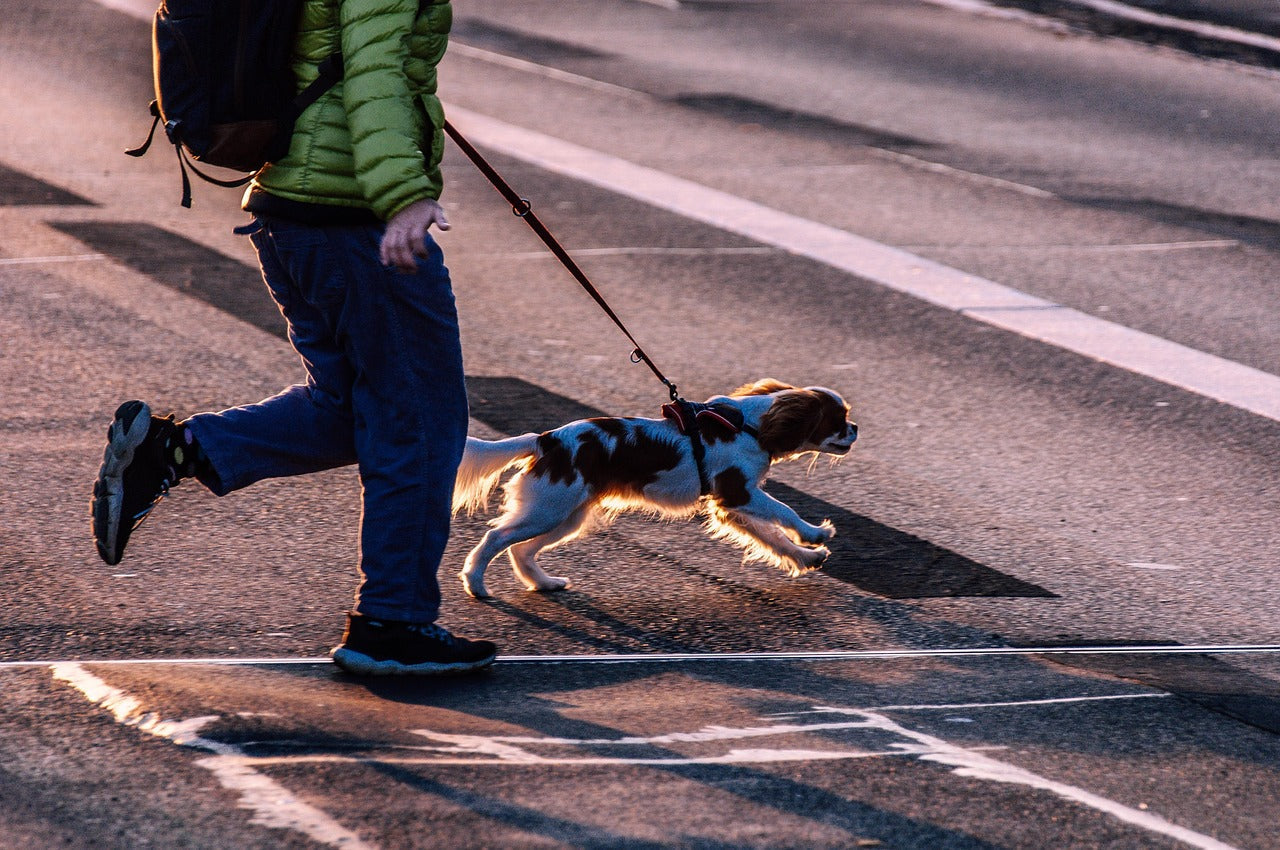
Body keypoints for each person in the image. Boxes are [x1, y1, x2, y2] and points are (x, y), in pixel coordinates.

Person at [91, 0, 496, 676]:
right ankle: (392, 623)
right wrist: (403, 194)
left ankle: (174, 449)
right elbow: (374, 71)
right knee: (418, 423)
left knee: (347, 408)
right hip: (351, 220)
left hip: (290, 211)